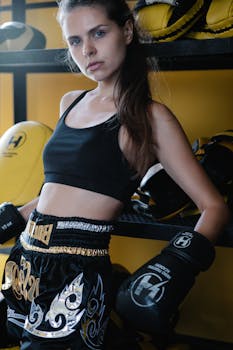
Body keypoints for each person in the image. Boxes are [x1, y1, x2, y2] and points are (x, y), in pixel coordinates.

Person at [0, 0, 231, 349]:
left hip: (76, 277)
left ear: (126, 30)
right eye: (75, 40)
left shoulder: (150, 118)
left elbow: (213, 206)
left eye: (99, 33)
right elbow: (59, 190)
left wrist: (176, 265)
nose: (87, 50)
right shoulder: (70, 102)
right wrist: (15, 216)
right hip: (25, 263)